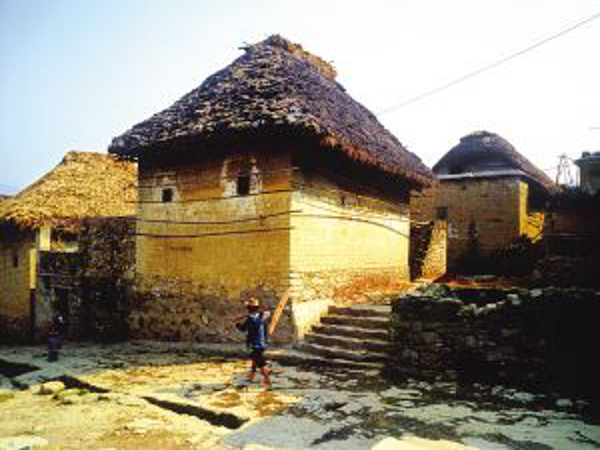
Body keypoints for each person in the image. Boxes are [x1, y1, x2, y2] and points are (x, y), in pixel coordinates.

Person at [235, 297, 272, 388]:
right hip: (262, 343)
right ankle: (251, 375)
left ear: (248, 309)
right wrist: (255, 313)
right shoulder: (261, 316)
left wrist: (237, 323)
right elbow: (268, 313)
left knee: (261, 363)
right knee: (255, 359)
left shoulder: (250, 319)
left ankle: (267, 379)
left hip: (255, 344)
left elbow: (243, 329)